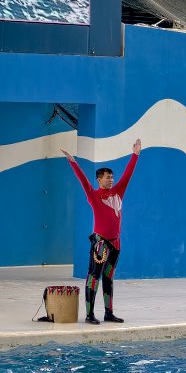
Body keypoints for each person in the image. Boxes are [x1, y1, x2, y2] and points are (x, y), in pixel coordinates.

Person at [61, 139, 141, 324]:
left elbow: (128, 174)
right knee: (93, 277)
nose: (111, 180)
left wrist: (136, 154)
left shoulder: (118, 192)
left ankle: (108, 313)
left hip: (115, 244)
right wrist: (72, 161)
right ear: (99, 180)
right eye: (107, 177)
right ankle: (89, 315)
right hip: (100, 243)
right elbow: (82, 180)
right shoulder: (94, 195)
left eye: (112, 177)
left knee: (108, 277)